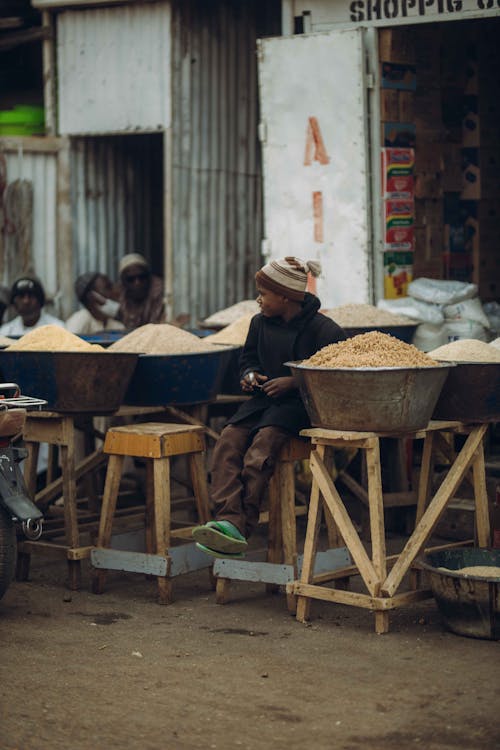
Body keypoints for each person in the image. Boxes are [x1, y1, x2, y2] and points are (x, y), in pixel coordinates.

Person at [192, 256, 346, 558]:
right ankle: (227, 517)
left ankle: (241, 523)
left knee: (260, 449)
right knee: (228, 441)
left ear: (285, 297)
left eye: (263, 294)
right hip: (262, 401)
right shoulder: (259, 324)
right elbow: (247, 359)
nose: (258, 300)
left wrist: (293, 381)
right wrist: (249, 376)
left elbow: (336, 376)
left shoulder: (324, 330)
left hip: (300, 407)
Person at [0, 276, 65, 336]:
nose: (26, 301)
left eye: (31, 296)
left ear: (40, 300)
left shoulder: (58, 329)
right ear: (13, 303)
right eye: (21, 296)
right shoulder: (6, 333)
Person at [117, 253, 165, 329]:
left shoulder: (161, 293)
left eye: (142, 277)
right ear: (123, 282)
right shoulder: (120, 294)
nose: (137, 283)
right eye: (131, 279)